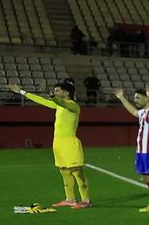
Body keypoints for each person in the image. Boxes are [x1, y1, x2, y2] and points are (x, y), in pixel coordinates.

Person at [7, 79, 90, 207]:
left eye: (58, 91)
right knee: (64, 171)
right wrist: (21, 92)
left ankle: (86, 200)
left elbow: (61, 102)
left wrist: (50, 94)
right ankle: (70, 199)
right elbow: (41, 101)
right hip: (58, 142)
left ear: (66, 92)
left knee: (77, 172)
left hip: (69, 142)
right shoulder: (58, 105)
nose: (56, 92)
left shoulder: (73, 106)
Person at [112, 87, 149, 213]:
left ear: (147, 98)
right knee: (147, 177)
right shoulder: (142, 113)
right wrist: (121, 98)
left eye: (138, 97)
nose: (135, 100)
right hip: (141, 150)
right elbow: (133, 111)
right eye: (134, 98)